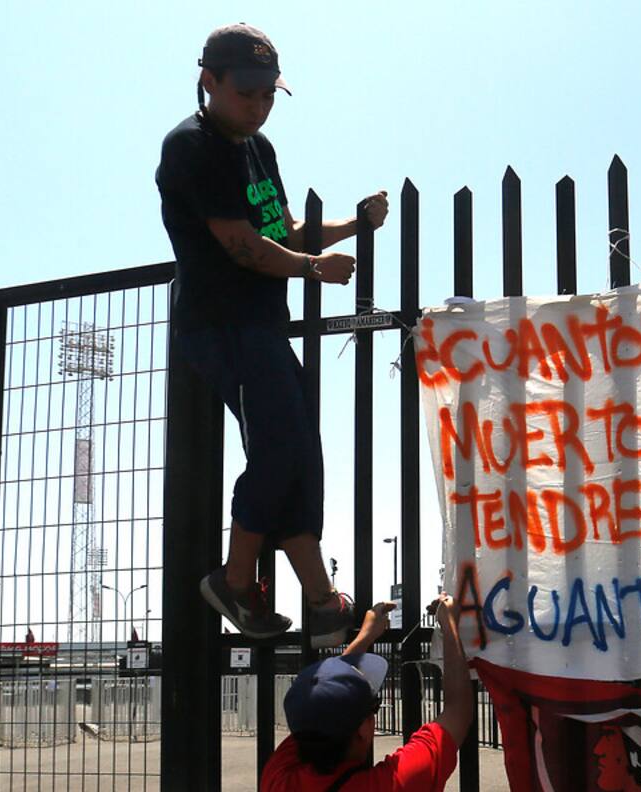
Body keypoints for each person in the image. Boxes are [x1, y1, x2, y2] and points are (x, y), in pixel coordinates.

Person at [155, 22, 389, 646]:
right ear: (209, 80)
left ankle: (318, 599)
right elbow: (241, 247)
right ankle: (235, 581)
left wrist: (350, 227)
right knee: (281, 447)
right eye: (247, 93)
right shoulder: (191, 147)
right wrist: (313, 268)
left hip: (262, 324)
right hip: (220, 325)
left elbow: (280, 232)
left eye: (268, 96)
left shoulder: (260, 150)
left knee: (298, 455)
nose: (259, 107)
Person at [261, 596, 474, 791]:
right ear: (362, 729)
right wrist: (450, 624)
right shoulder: (388, 783)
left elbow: (319, 702)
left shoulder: (277, 778)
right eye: (374, 705)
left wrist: (365, 635)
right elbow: (457, 712)